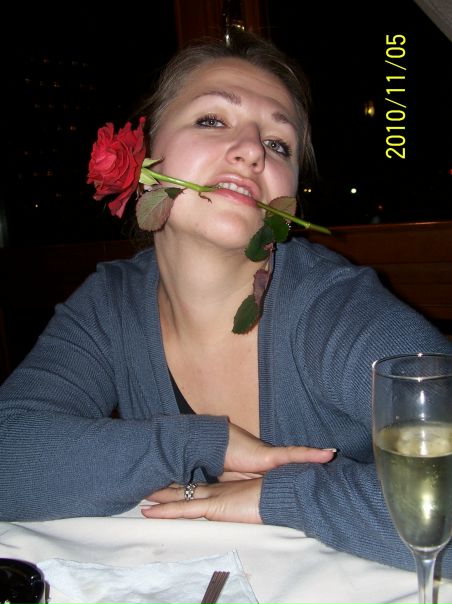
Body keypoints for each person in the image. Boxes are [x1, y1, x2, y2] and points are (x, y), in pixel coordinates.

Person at [1, 29, 451, 578]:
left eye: (279, 144)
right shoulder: (110, 305)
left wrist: (283, 494)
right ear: (144, 156)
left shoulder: (335, 311)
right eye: (213, 120)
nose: (253, 150)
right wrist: (197, 445)